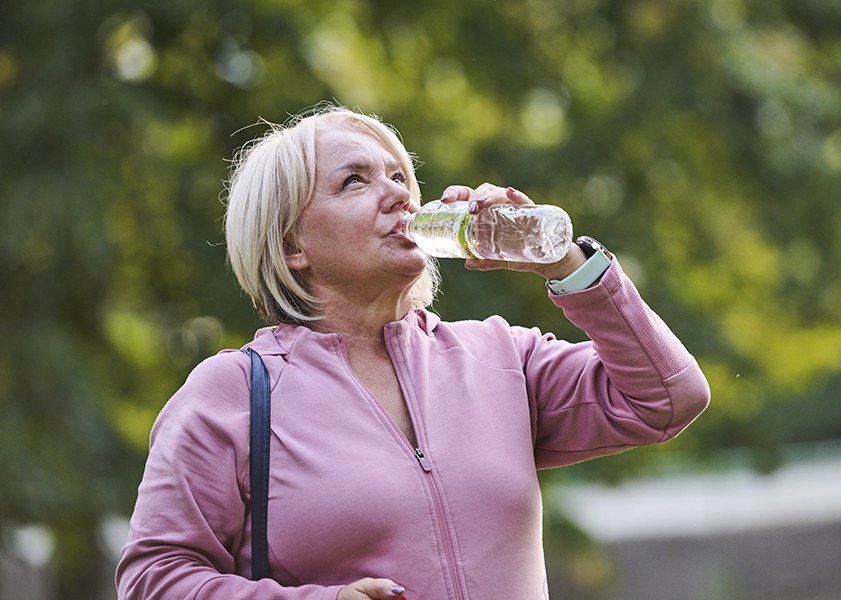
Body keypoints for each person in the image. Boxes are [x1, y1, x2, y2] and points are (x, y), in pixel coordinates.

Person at [115, 105, 710, 600]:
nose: (397, 195)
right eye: (356, 181)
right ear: (292, 244)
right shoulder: (235, 394)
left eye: (399, 177)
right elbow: (153, 581)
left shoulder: (501, 356)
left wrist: (563, 261)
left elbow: (668, 397)